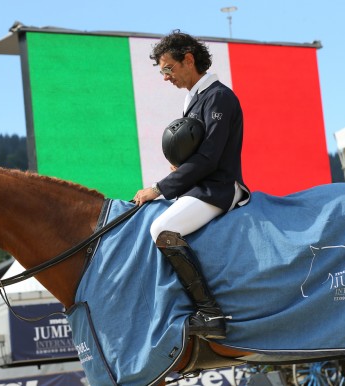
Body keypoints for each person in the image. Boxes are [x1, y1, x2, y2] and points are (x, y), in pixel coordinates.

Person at [133, 30, 250, 339]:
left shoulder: (219, 96)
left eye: (168, 69)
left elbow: (210, 159)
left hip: (219, 188)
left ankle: (211, 313)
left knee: (162, 230)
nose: (165, 77)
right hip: (198, 187)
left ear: (188, 59)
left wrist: (158, 188)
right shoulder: (194, 99)